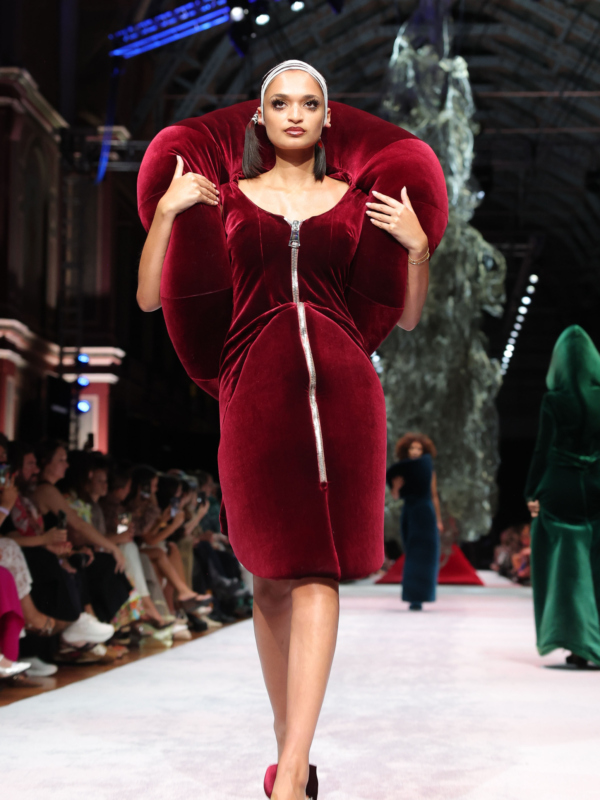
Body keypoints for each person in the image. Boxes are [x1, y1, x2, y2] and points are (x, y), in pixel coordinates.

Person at [137, 60, 443, 800]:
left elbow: (406, 318)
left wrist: (418, 250)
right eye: (281, 103)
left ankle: (292, 776)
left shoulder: (358, 203)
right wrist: (169, 214)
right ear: (260, 117)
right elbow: (149, 298)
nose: (295, 114)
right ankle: (290, 754)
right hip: (254, 402)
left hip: (346, 401)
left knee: (317, 572)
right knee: (270, 582)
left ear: (329, 116)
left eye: (309, 103)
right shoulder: (226, 200)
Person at [525, 325, 600, 669]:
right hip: (596, 485)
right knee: (595, 563)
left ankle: (576, 642)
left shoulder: (553, 401)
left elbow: (543, 450)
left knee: (566, 567)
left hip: (560, 487)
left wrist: (530, 491)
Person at [386, 433, 442, 611]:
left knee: (426, 555)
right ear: (406, 450)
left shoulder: (428, 469)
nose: (416, 451)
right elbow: (396, 496)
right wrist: (396, 488)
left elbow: (434, 495)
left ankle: (421, 597)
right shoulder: (403, 470)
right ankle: (413, 596)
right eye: (412, 448)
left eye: (419, 448)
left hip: (426, 513)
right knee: (411, 554)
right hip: (409, 512)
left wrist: (438, 520)